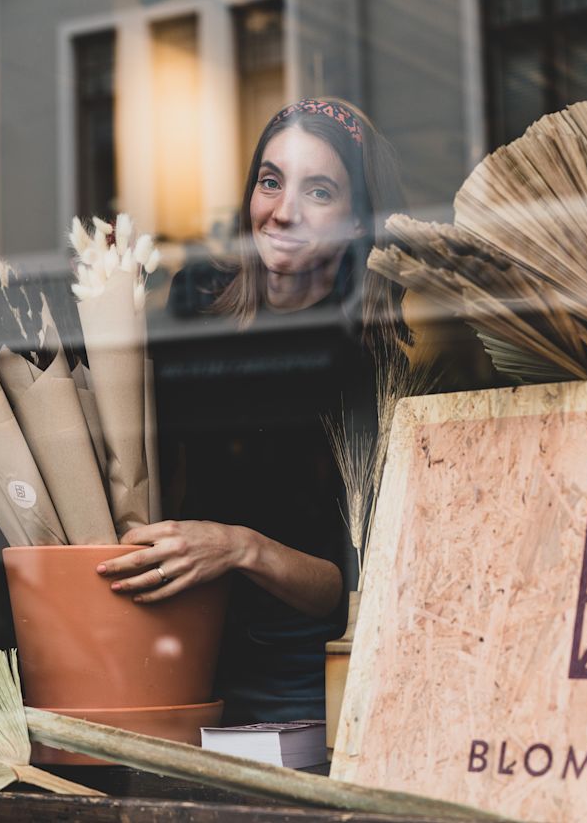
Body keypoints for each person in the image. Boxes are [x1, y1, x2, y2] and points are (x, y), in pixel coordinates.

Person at [97, 98, 406, 723]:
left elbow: (359, 583)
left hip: (302, 681)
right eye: (271, 182)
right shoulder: (194, 319)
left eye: (318, 191)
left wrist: (238, 548)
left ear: (355, 222)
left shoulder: (367, 367)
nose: (282, 211)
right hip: (180, 650)